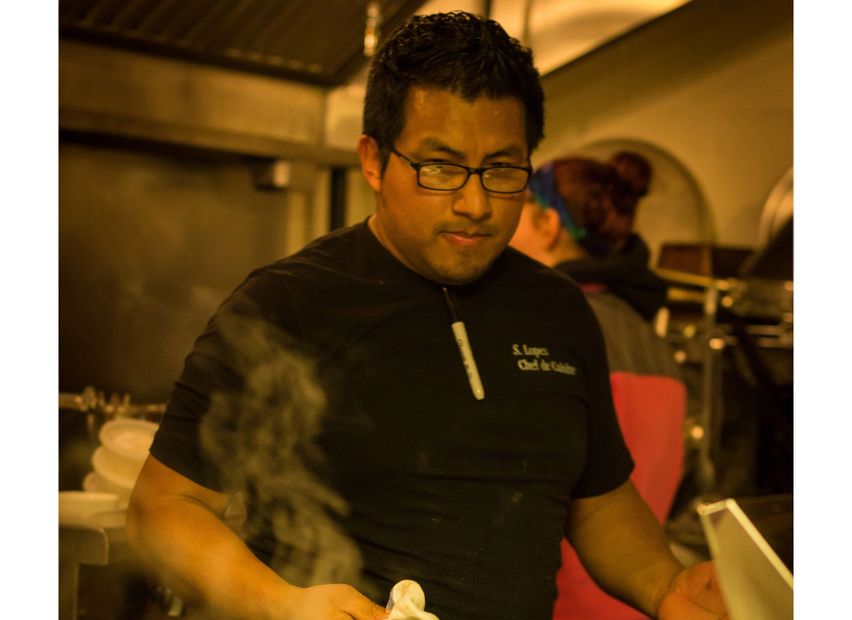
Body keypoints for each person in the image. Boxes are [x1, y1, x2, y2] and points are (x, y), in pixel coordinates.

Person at [126, 11, 727, 620]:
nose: (475, 203)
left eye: (501, 170)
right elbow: (164, 508)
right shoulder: (289, 304)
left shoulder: (559, 310)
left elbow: (596, 500)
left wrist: (664, 586)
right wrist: (280, 604)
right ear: (373, 161)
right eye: (439, 167)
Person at [510, 157, 688, 620]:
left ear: (547, 225)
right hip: (640, 603)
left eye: (517, 209)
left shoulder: (544, 331)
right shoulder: (654, 343)